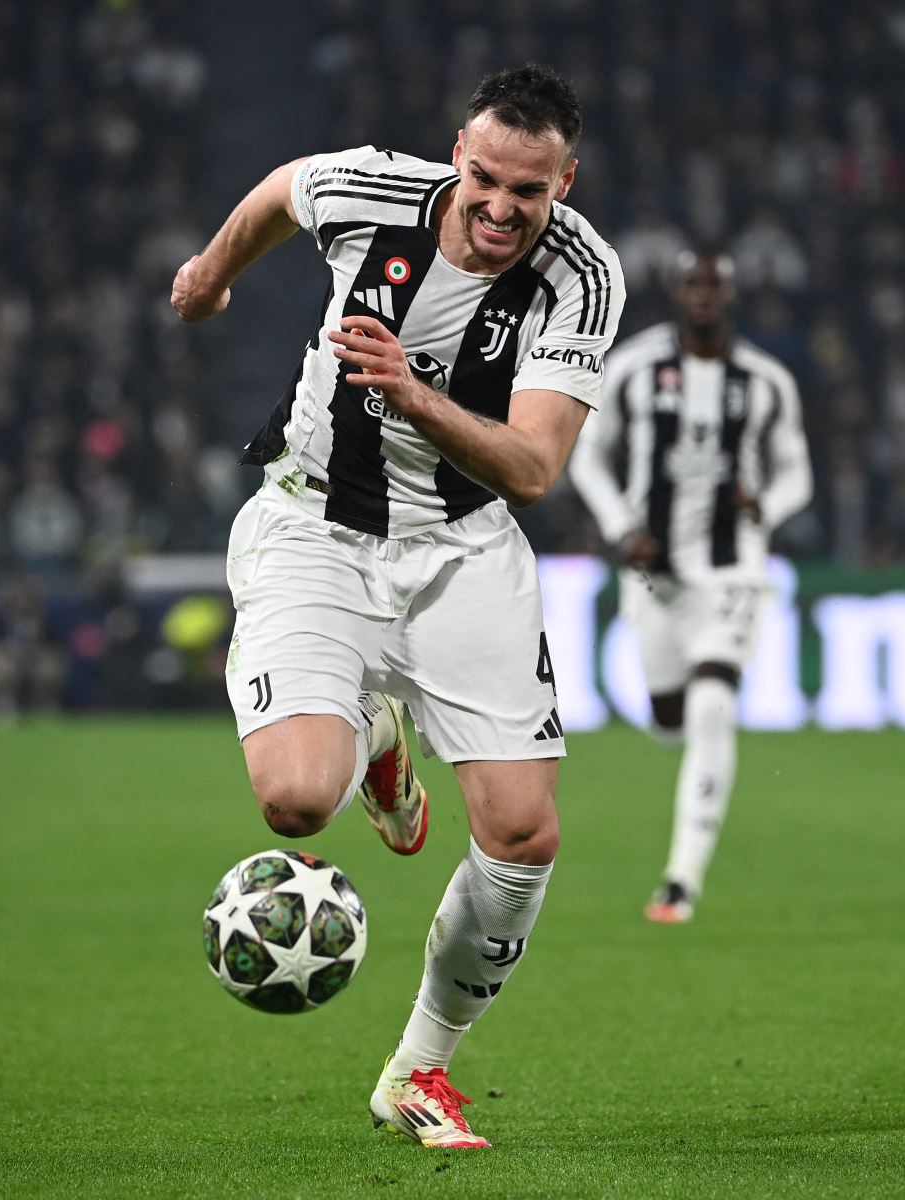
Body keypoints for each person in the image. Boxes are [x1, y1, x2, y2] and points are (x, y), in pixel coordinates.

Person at [169, 65, 624, 1149]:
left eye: (530, 190)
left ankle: (420, 1072)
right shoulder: (369, 192)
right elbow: (283, 189)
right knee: (293, 802)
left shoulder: (584, 277)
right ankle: (373, 732)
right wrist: (210, 273)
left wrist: (412, 389)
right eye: (485, 180)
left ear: (567, 178)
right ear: (456, 154)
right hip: (313, 527)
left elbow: (532, 465)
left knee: (522, 832)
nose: (503, 209)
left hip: (464, 550)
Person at [567, 249, 813, 923]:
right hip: (655, 573)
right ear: (675, 293)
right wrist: (622, 527)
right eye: (692, 284)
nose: (703, 295)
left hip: (734, 569)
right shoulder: (634, 369)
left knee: (711, 707)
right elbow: (588, 456)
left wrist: (766, 504)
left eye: (715, 285)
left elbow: (797, 474)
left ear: (732, 295)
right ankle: (684, 801)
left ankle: (681, 879)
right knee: (669, 720)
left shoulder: (764, 381)